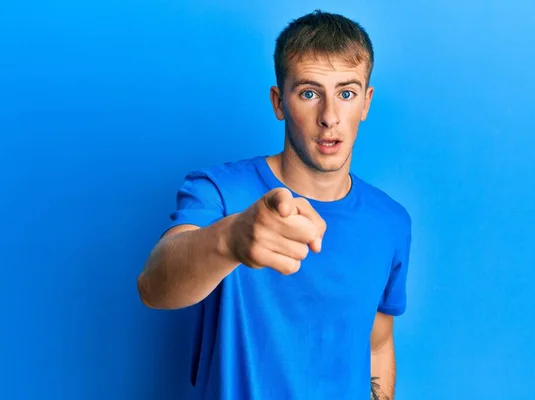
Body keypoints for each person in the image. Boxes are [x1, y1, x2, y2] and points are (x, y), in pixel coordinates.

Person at [137, 9, 412, 400]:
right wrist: (231, 239)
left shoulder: (391, 222)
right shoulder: (218, 191)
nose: (329, 117)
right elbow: (153, 286)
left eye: (346, 93)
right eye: (309, 93)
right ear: (279, 101)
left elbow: (378, 345)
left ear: (365, 103)